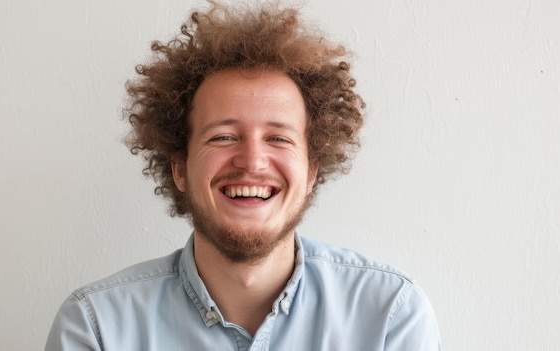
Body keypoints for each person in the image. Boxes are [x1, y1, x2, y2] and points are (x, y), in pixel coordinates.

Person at [45, 1, 442, 350]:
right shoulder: (96, 327)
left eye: (278, 138)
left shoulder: (391, 315)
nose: (252, 161)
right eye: (223, 136)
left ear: (313, 169)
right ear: (179, 168)